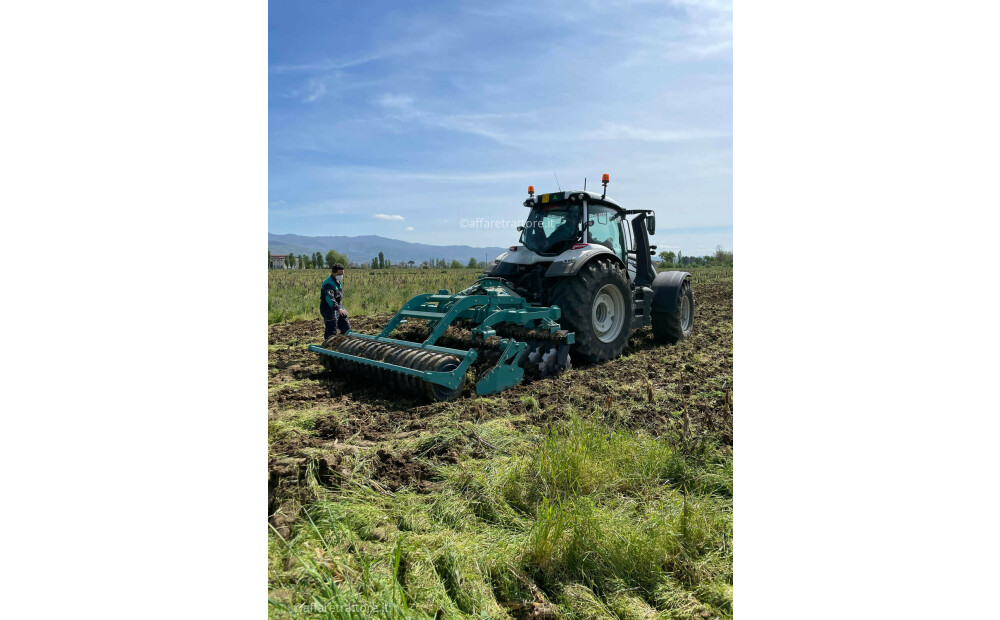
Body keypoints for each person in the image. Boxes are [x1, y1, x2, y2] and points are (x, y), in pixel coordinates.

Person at [320, 263, 350, 339]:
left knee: (346, 327)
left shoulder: (337, 281)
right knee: (331, 330)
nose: (341, 276)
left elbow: (338, 297)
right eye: (339, 274)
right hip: (328, 308)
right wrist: (338, 308)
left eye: (342, 274)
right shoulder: (328, 283)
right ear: (333, 273)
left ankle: (344, 344)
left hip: (339, 305)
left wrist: (341, 308)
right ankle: (328, 346)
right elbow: (330, 298)